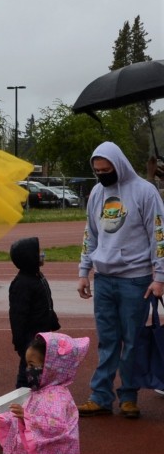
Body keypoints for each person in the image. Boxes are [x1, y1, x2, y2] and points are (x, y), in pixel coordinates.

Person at [77, 142, 164, 418]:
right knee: (107, 341)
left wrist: (160, 276)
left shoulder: (145, 192)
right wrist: (83, 271)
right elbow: (90, 233)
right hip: (103, 279)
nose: (103, 175)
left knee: (133, 340)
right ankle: (100, 396)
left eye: (107, 169)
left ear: (120, 164)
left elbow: (159, 235)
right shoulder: (96, 193)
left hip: (135, 281)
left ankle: (128, 396)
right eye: (98, 170)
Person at [8, 236, 60, 389]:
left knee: (41, 372)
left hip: (43, 335)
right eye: (38, 254)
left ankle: (38, 403)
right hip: (30, 339)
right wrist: (20, 343)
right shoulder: (22, 284)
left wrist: (52, 321)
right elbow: (17, 316)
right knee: (27, 374)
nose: (42, 255)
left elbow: (46, 303)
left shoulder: (37, 277)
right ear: (29, 258)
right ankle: (21, 402)